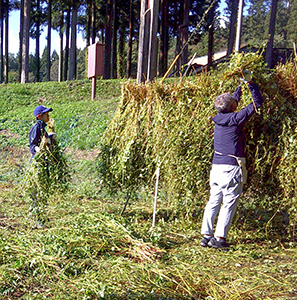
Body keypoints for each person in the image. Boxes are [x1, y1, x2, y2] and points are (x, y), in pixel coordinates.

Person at [200, 72, 264, 249]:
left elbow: (229, 103)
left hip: (216, 168)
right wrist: (251, 83)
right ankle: (220, 239)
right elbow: (257, 104)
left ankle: (206, 235)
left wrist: (240, 87)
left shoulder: (218, 119)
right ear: (233, 107)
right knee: (229, 202)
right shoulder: (236, 119)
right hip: (231, 169)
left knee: (214, 200)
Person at [28, 105, 53, 228]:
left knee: (43, 190)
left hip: (44, 163)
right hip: (37, 164)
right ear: (39, 116)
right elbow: (32, 145)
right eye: (46, 113)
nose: (48, 115)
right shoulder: (37, 127)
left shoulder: (44, 128)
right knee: (37, 191)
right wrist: (38, 149)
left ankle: (41, 215)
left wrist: (52, 138)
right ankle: (37, 217)